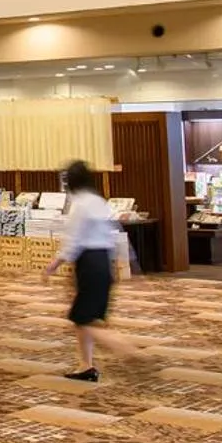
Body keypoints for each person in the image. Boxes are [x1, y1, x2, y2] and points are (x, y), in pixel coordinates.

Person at [43, 159, 125, 382]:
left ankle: (126, 349)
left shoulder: (79, 204)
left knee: (83, 318)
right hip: (103, 260)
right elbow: (112, 234)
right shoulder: (100, 201)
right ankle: (86, 365)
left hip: (88, 261)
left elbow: (73, 240)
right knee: (85, 318)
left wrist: (54, 264)